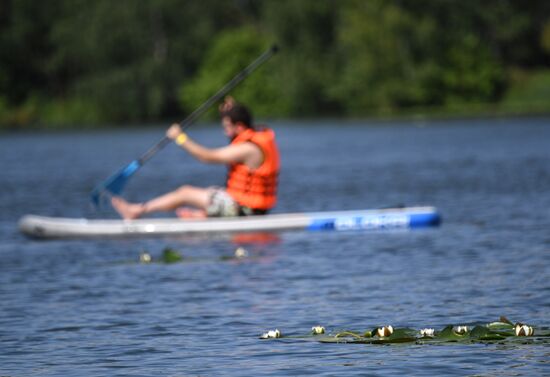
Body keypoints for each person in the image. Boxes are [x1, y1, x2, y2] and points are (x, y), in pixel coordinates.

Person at [111, 97, 280, 220]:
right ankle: (204, 216)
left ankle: (137, 211)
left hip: (246, 210)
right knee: (208, 192)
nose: (224, 131)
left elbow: (207, 157)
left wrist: (181, 138)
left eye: (227, 127)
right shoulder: (256, 136)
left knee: (185, 193)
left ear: (240, 126)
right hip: (252, 207)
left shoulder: (247, 148)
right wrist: (231, 109)